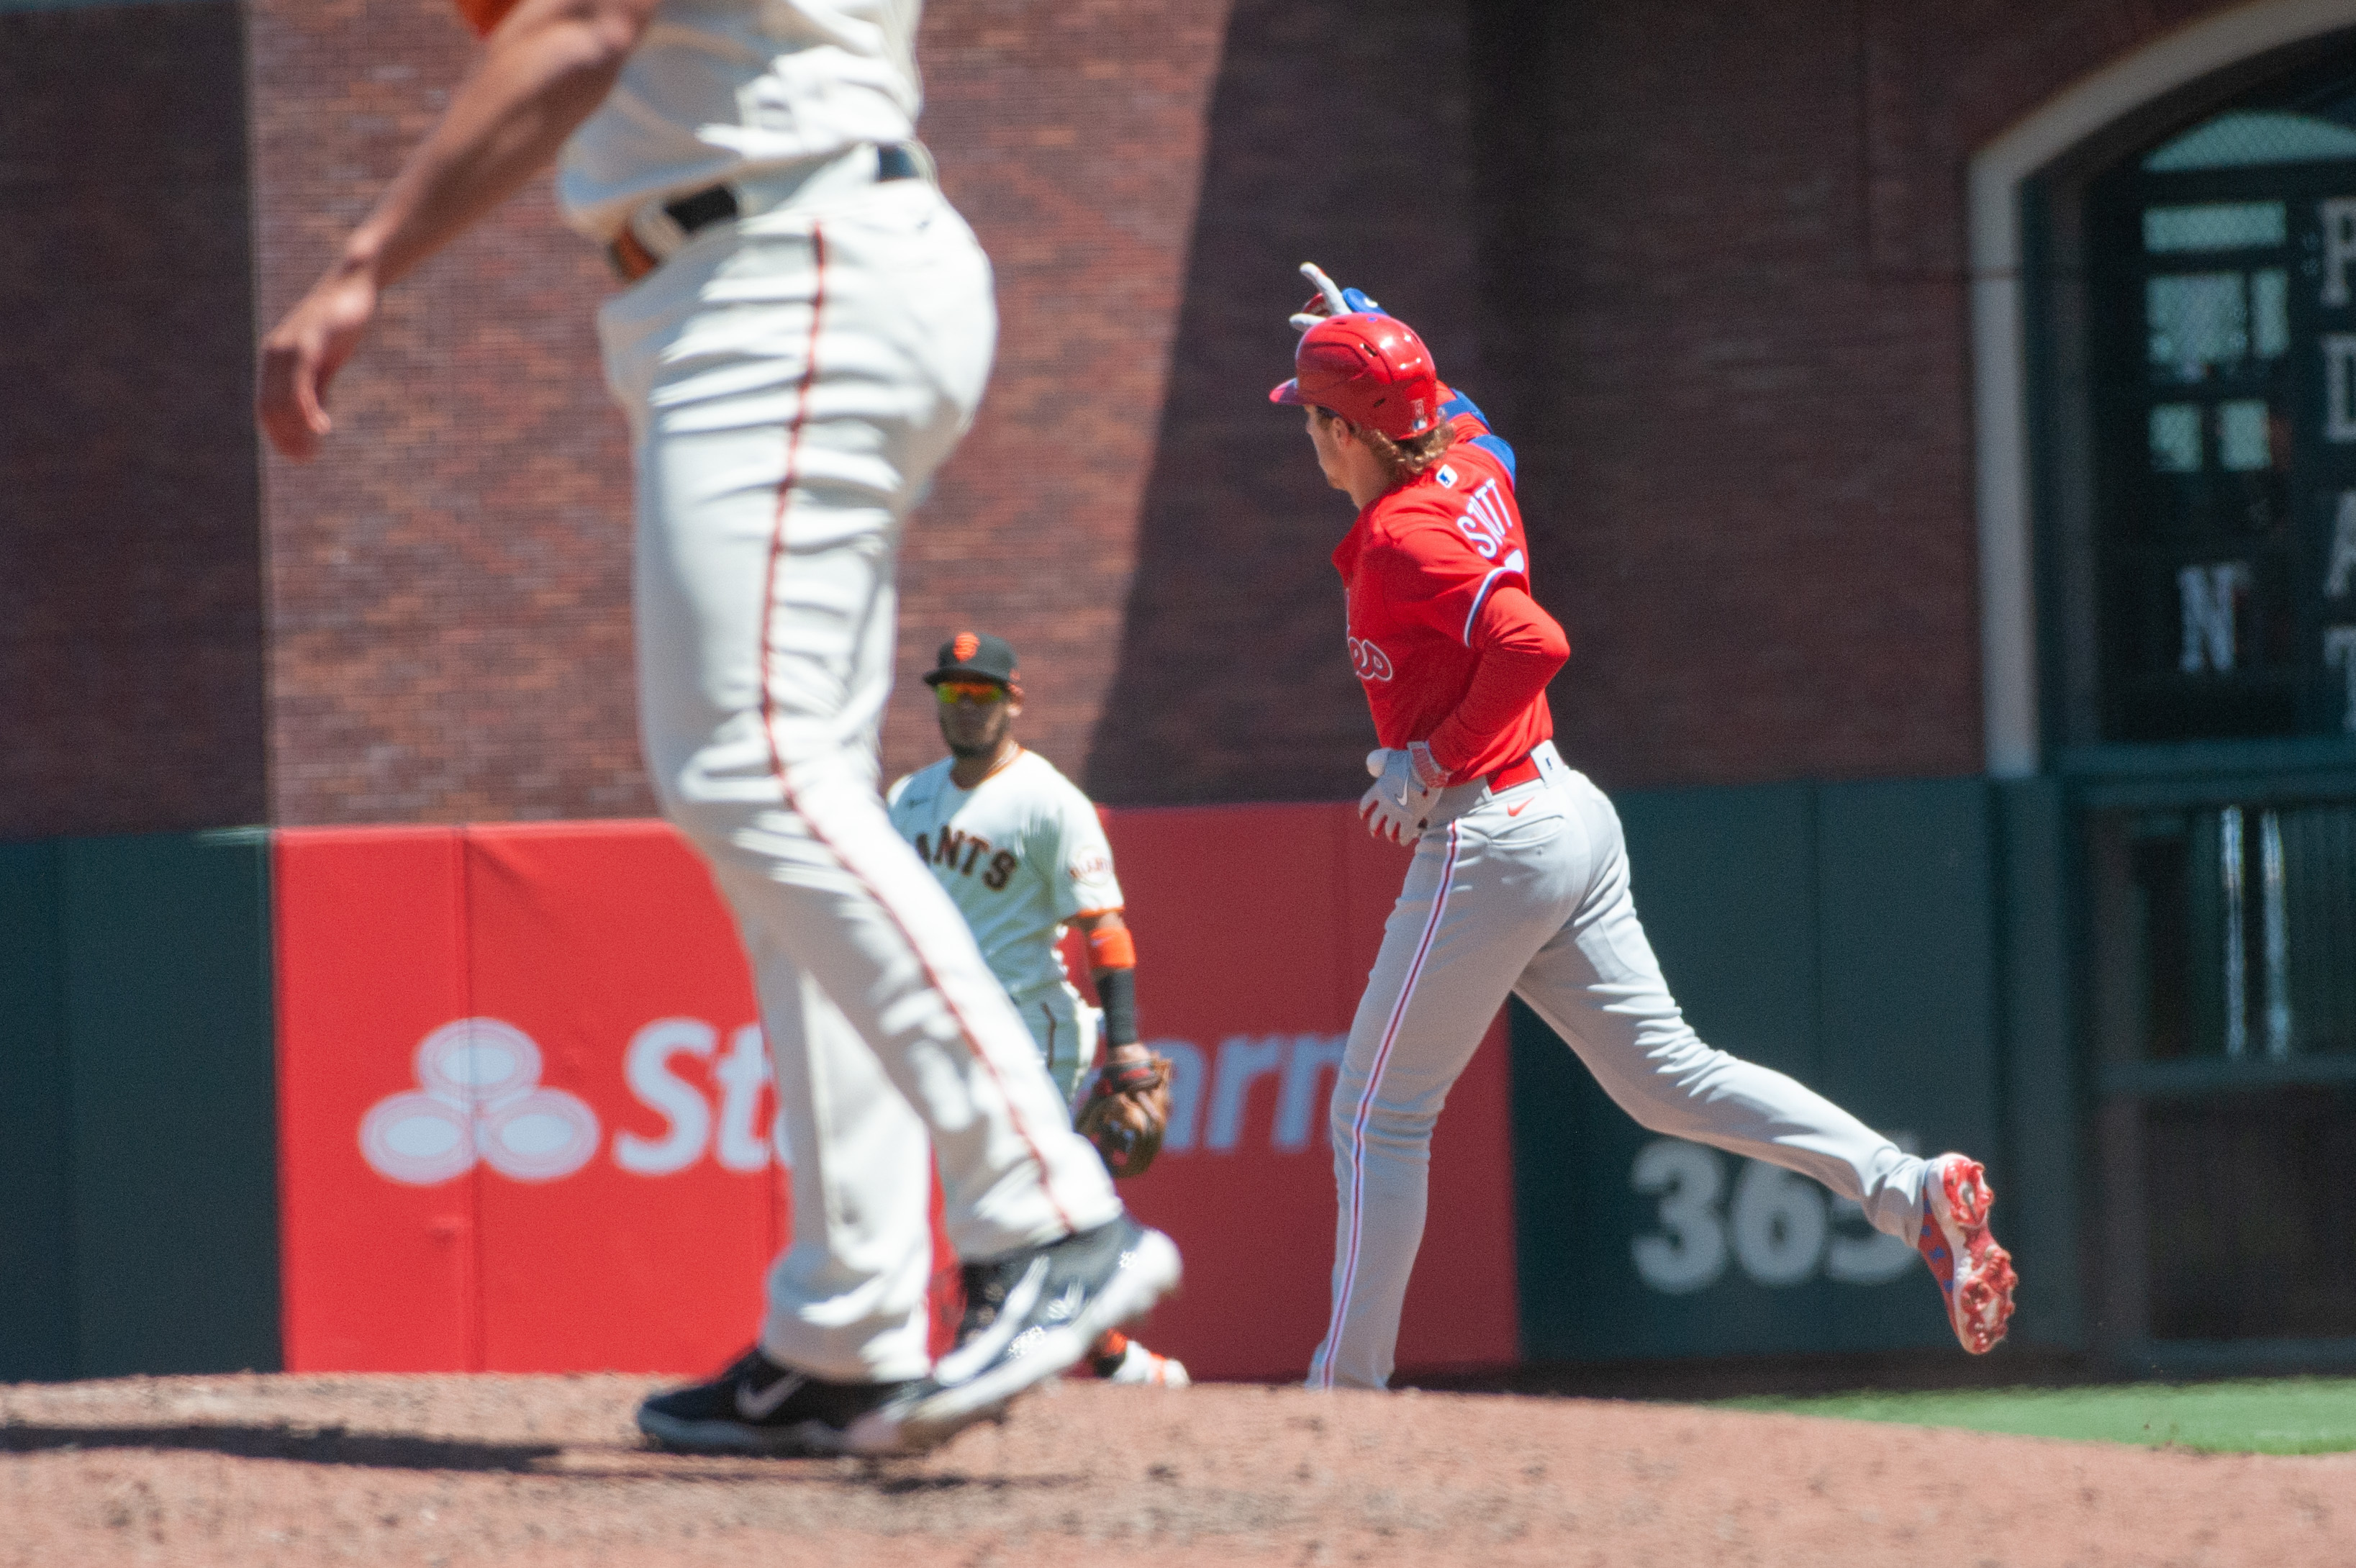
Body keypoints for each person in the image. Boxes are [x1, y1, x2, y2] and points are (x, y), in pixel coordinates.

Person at [255, 0, 1177, 1456]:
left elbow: (578, 25)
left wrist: (366, 262)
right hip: (784, 262)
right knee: (783, 796)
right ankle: (844, 1332)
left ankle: (1048, 1217)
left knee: (745, 769)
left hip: (779, 264)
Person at [1267, 267, 2016, 1391]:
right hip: (1563, 809)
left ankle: (1347, 1396)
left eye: (1316, 417)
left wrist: (1428, 757)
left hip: (1494, 831)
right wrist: (1365, 321)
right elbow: (1466, 423)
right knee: (1666, 1076)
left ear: (1349, 428)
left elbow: (1533, 641)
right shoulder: (1465, 463)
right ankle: (1905, 1189)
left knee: (1377, 1113)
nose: (1310, 441)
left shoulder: (1399, 539)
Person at [886, 631, 1189, 1387]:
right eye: (952, 691)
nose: (965, 705)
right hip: (944, 1031)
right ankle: (1113, 1359)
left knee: (1021, 1196)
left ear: (1013, 699)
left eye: (981, 691)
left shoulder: (1051, 801)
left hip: (1033, 1028)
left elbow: (1105, 929)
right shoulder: (908, 798)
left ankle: (1029, 1344)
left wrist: (1122, 1045)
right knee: (983, 1200)